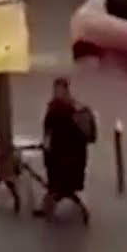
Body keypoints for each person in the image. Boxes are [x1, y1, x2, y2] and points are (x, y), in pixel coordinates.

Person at [36, 77, 96, 218]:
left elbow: (49, 132)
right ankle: (52, 199)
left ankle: (51, 202)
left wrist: (47, 146)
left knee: (57, 181)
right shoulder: (75, 109)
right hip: (68, 158)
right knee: (57, 182)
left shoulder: (65, 110)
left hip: (64, 158)